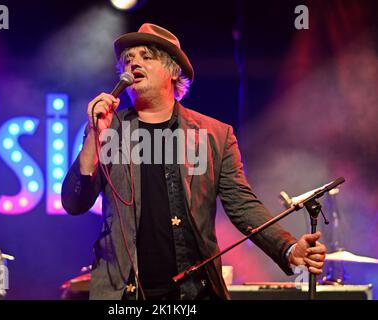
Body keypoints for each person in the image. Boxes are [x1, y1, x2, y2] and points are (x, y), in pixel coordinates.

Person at [61, 23, 327, 300]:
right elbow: (74, 203)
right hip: (124, 294)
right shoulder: (108, 130)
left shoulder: (215, 135)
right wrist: (94, 134)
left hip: (194, 292)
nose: (134, 63)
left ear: (173, 71)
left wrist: (287, 247)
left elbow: (242, 206)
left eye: (146, 56)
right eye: (128, 59)